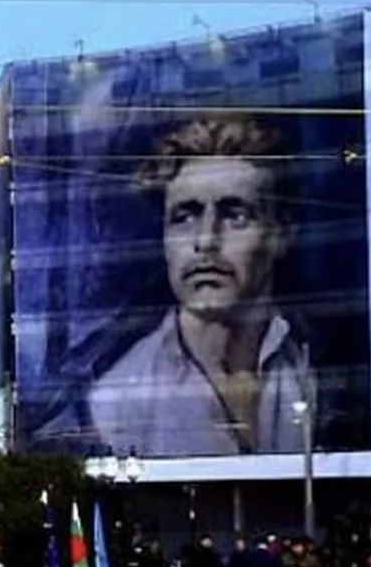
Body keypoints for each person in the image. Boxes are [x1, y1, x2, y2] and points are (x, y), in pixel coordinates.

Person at [86, 116, 314, 458]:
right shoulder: (118, 398)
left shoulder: (315, 367)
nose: (206, 241)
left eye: (235, 215)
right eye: (184, 217)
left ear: (281, 233)